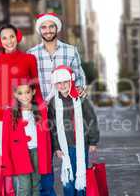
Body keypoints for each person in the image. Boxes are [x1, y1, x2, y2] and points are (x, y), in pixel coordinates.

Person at [27, 13, 87, 195]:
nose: (48, 30)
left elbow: (80, 79)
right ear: (39, 30)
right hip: (41, 113)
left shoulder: (70, 51)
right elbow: (27, 83)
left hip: (66, 112)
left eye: (51, 26)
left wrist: (80, 92)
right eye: (43, 27)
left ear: (57, 28)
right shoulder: (31, 54)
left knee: (72, 155)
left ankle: (77, 188)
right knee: (44, 161)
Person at [0, 24, 43, 156]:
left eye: (11, 36)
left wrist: (39, 112)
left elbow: (36, 87)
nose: (9, 41)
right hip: (1, 117)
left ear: (17, 37)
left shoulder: (29, 59)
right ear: (0, 41)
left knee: (28, 157)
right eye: (4, 38)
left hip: (26, 114)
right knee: (7, 159)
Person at [47, 65, 99, 196]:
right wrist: (56, 147)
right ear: (55, 84)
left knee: (81, 174)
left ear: (71, 81)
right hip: (65, 147)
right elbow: (52, 127)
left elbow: (91, 118)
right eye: (59, 83)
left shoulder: (80, 98)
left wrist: (93, 141)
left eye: (65, 82)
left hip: (82, 145)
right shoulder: (53, 102)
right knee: (68, 177)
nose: (63, 85)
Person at [2, 79, 52, 196]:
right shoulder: (10, 113)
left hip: (37, 152)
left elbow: (46, 135)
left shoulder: (40, 110)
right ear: (15, 94)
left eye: (27, 92)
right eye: (20, 93)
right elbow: (5, 140)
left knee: (36, 184)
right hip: (19, 154)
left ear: (33, 92)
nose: (24, 96)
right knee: (25, 187)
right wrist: (7, 159)